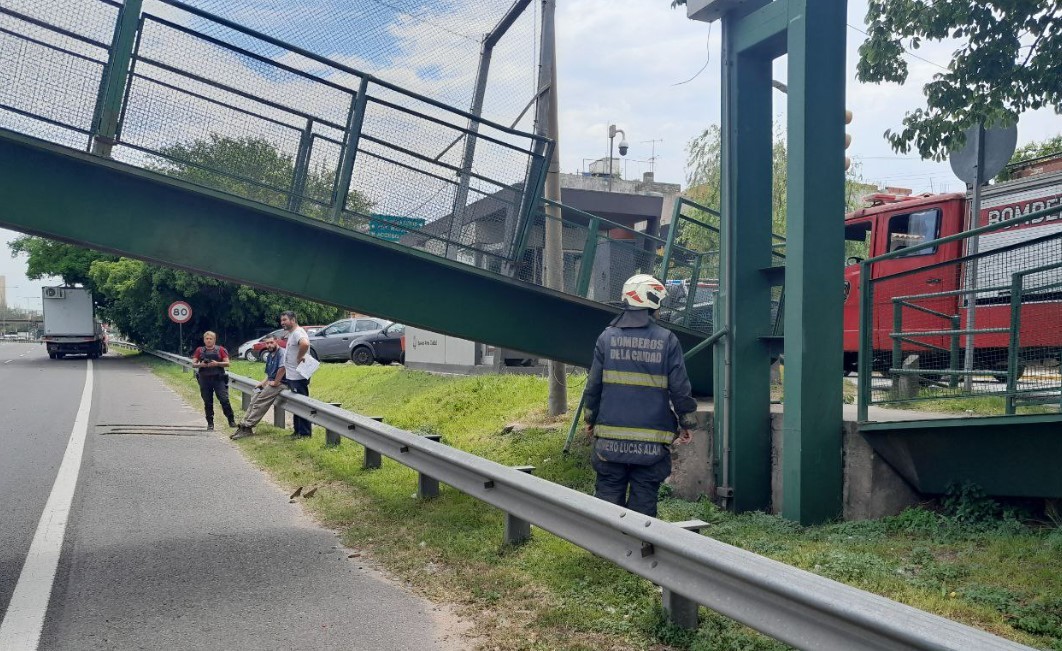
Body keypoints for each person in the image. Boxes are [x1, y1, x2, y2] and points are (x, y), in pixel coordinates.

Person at [582, 274, 698, 517]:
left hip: (609, 442)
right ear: (652, 302)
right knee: (643, 501)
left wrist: (590, 419)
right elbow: (680, 388)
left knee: (607, 497)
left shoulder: (606, 338)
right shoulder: (667, 340)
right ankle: (637, 549)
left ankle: (606, 548)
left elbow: (593, 385)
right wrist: (686, 422)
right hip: (651, 446)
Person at [230, 335, 285, 440]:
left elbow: (283, 368)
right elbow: (269, 374)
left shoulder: (282, 353)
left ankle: (248, 427)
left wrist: (276, 382)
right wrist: (262, 383)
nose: (269, 345)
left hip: (281, 383)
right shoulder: (270, 355)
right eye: (267, 343)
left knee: (260, 401)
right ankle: (243, 425)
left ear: (276, 341)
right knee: (254, 398)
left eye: (271, 342)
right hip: (270, 381)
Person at [192, 330, 236, 431]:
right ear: (204, 340)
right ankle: (210, 423)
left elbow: (227, 363)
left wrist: (217, 363)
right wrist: (201, 364)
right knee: (207, 402)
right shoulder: (199, 350)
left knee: (224, 400)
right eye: (207, 339)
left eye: (210, 339)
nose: (208, 340)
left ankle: (231, 420)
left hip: (218, 379)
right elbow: (194, 363)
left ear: (214, 340)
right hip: (204, 379)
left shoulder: (221, 349)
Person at [279, 310, 312, 438]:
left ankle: (304, 433)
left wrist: (300, 357)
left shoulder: (298, 332)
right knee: (296, 403)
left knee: (301, 404)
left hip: (298, 376)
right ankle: (297, 430)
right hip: (292, 375)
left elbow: (305, 343)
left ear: (293, 320)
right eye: (281, 320)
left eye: (285, 320)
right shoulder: (292, 333)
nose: (282, 322)